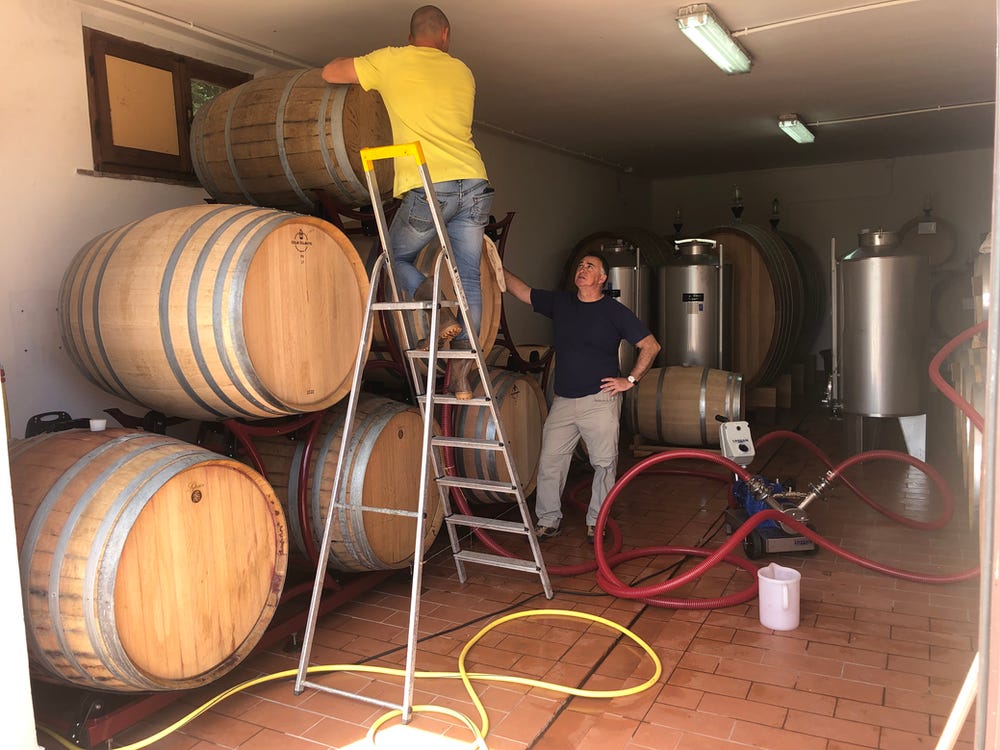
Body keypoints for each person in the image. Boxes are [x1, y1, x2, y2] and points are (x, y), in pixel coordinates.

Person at [322, 5, 493, 399]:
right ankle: (463, 375)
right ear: (446, 35)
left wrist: (375, 66)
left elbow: (330, 72)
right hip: (474, 180)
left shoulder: (391, 60)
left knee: (393, 256)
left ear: (411, 35)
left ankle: (438, 310)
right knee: (468, 277)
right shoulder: (463, 71)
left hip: (429, 183)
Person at [503, 255, 660, 540]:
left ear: (602, 279)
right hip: (563, 400)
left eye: (590, 267)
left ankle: (597, 520)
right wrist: (494, 264)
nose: (582, 269)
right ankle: (549, 520)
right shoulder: (561, 303)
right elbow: (521, 291)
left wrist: (630, 380)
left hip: (600, 400)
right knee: (551, 461)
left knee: (603, 464)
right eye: (580, 266)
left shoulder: (614, 311)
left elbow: (650, 346)